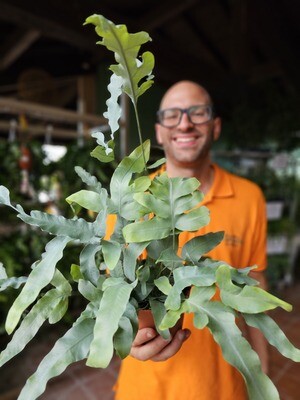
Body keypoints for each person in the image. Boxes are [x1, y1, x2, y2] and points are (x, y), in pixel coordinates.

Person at [114, 80, 268, 400]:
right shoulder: (129, 200)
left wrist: (260, 380)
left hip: (225, 388)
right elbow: (113, 293)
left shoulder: (250, 198)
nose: (184, 123)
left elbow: (255, 293)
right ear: (158, 131)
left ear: (215, 126)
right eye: (172, 115)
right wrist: (125, 337)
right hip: (146, 389)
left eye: (198, 113)